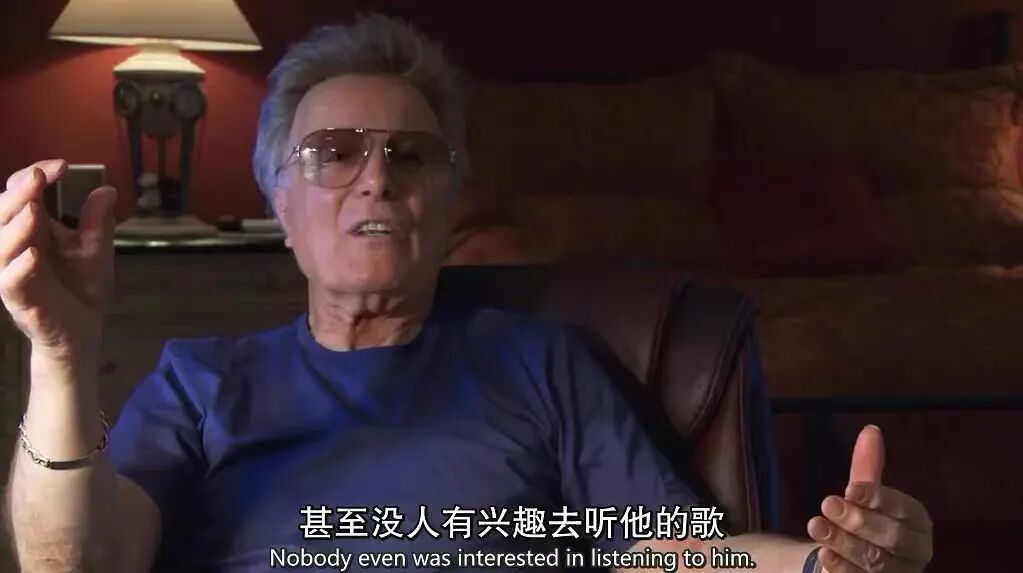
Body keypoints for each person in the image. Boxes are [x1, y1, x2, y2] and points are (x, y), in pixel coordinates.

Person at [1, 14, 932, 573]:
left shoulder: (542, 364)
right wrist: (62, 357)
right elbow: (73, 562)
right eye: (333, 153)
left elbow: (668, 551)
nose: (376, 179)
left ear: (449, 202)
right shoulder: (200, 382)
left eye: (410, 156)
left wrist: (826, 563)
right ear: (279, 204)